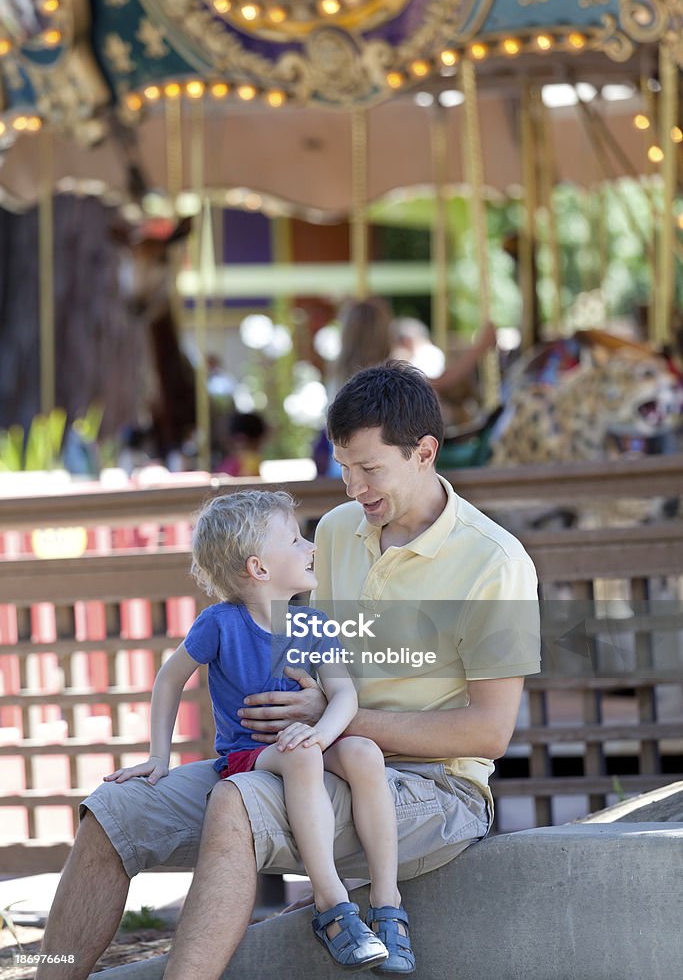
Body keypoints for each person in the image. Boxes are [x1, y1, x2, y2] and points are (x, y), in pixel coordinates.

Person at [36, 361, 540, 980]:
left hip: (431, 790)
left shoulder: (495, 562)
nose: (352, 487)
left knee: (239, 801)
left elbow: (488, 733)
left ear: (425, 452)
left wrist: (329, 723)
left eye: (369, 469)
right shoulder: (334, 530)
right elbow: (296, 648)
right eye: (345, 467)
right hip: (300, 754)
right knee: (115, 816)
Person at [102, 490, 412, 974]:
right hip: (250, 753)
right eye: (294, 539)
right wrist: (158, 756)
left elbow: (343, 696)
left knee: (367, 754)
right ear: (259, 568)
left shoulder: (315, 624)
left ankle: (387, 903)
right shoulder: (220, 624)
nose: (310, 546)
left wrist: (322, 734)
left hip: (309, 740)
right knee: (303, 758)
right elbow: (168, 679)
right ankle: (331, 904)